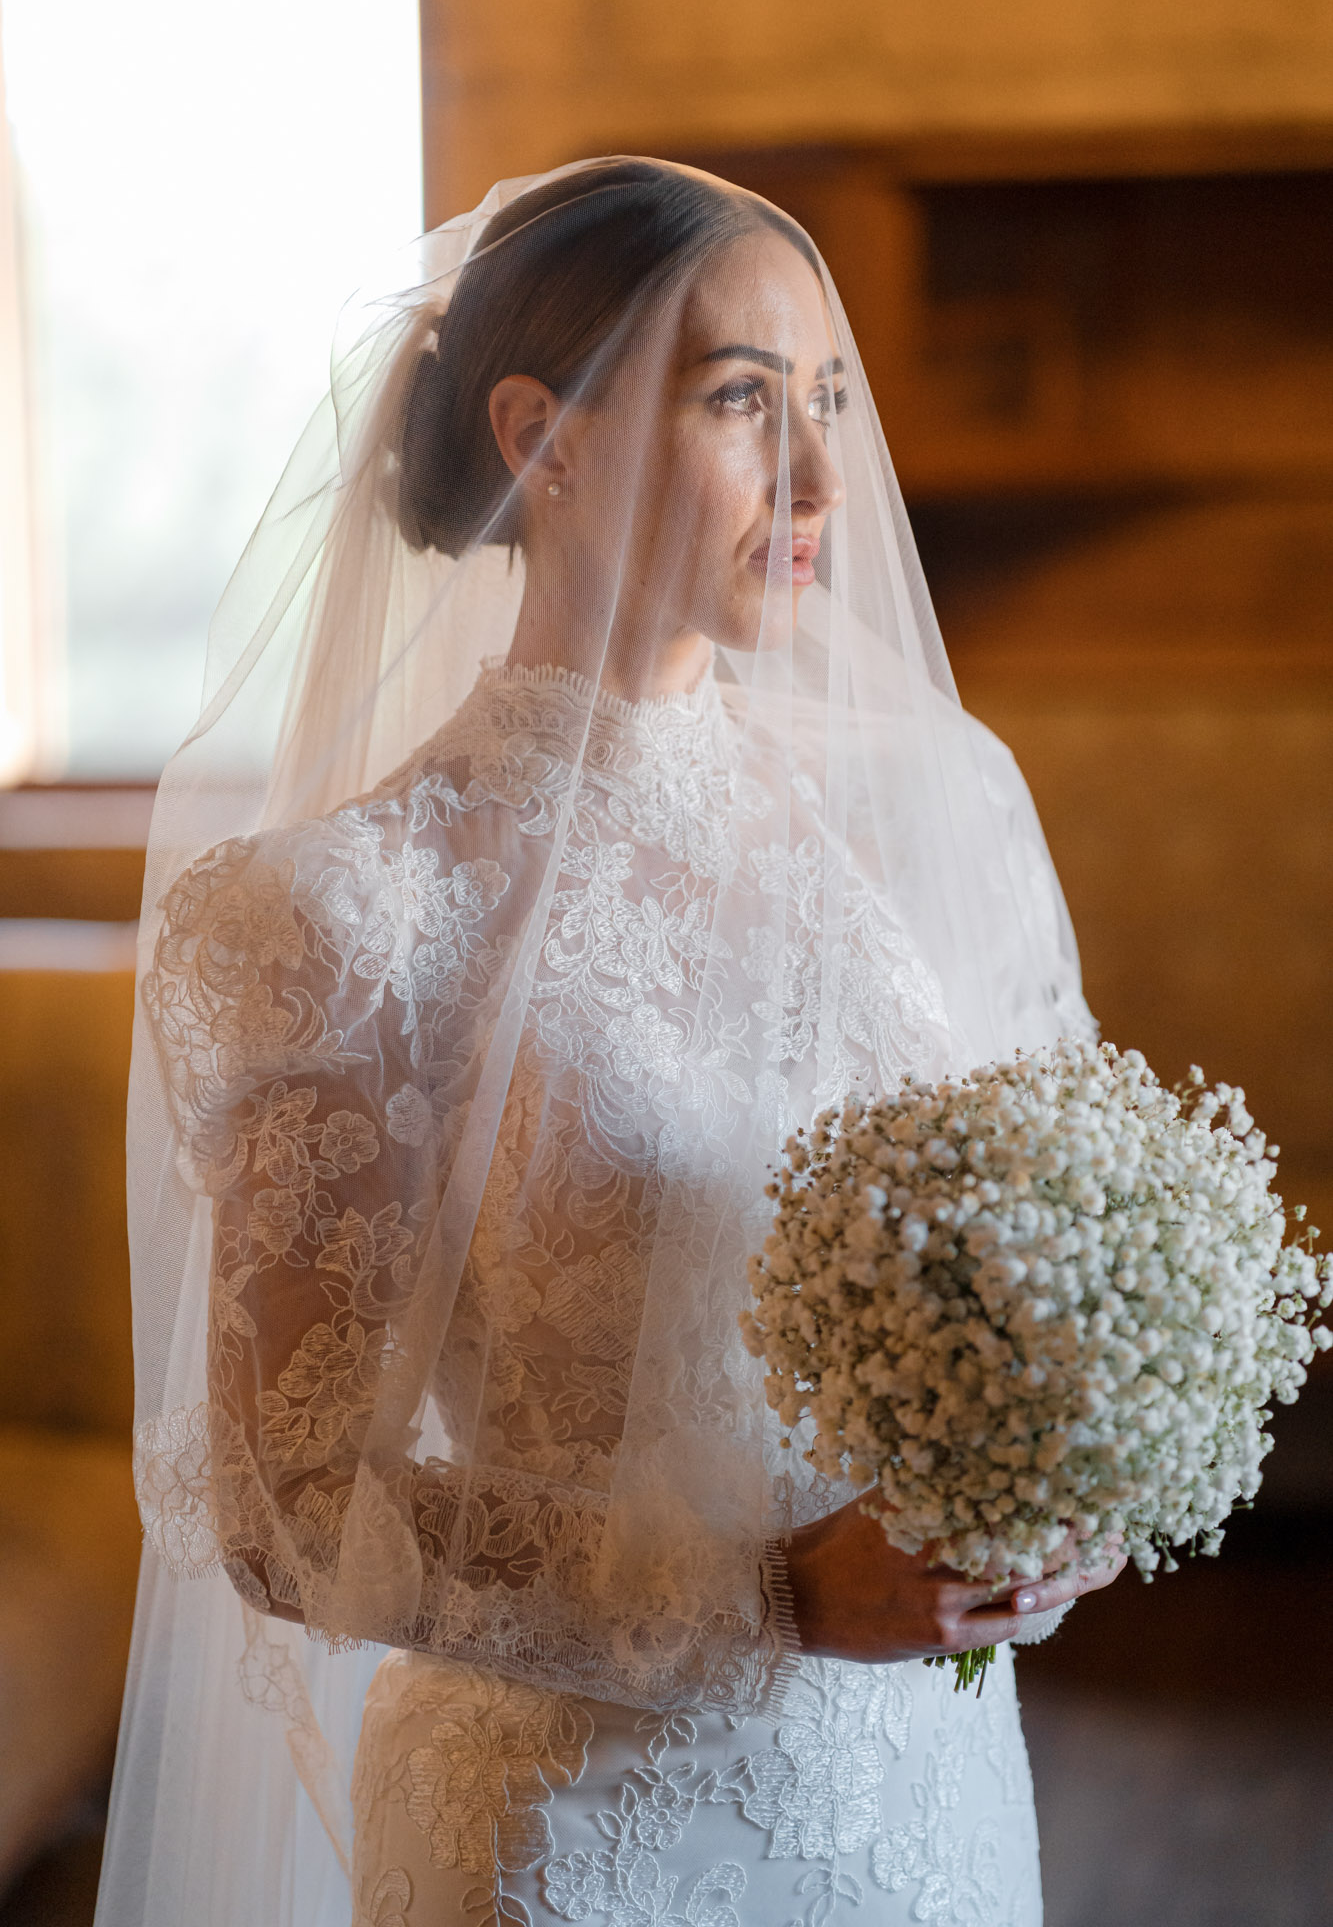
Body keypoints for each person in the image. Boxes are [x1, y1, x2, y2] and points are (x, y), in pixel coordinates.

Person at [101, 159, 1121, 1927]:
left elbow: (1069, 1241)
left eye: (828, 402)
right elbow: (284, 1507)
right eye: (742, 401)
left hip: (926, 1795)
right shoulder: (343, 918)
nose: (817, 479)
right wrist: (773, 1599)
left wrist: (1066, 1473)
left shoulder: (934, 807)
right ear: (542, 437)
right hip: (573, 1839)